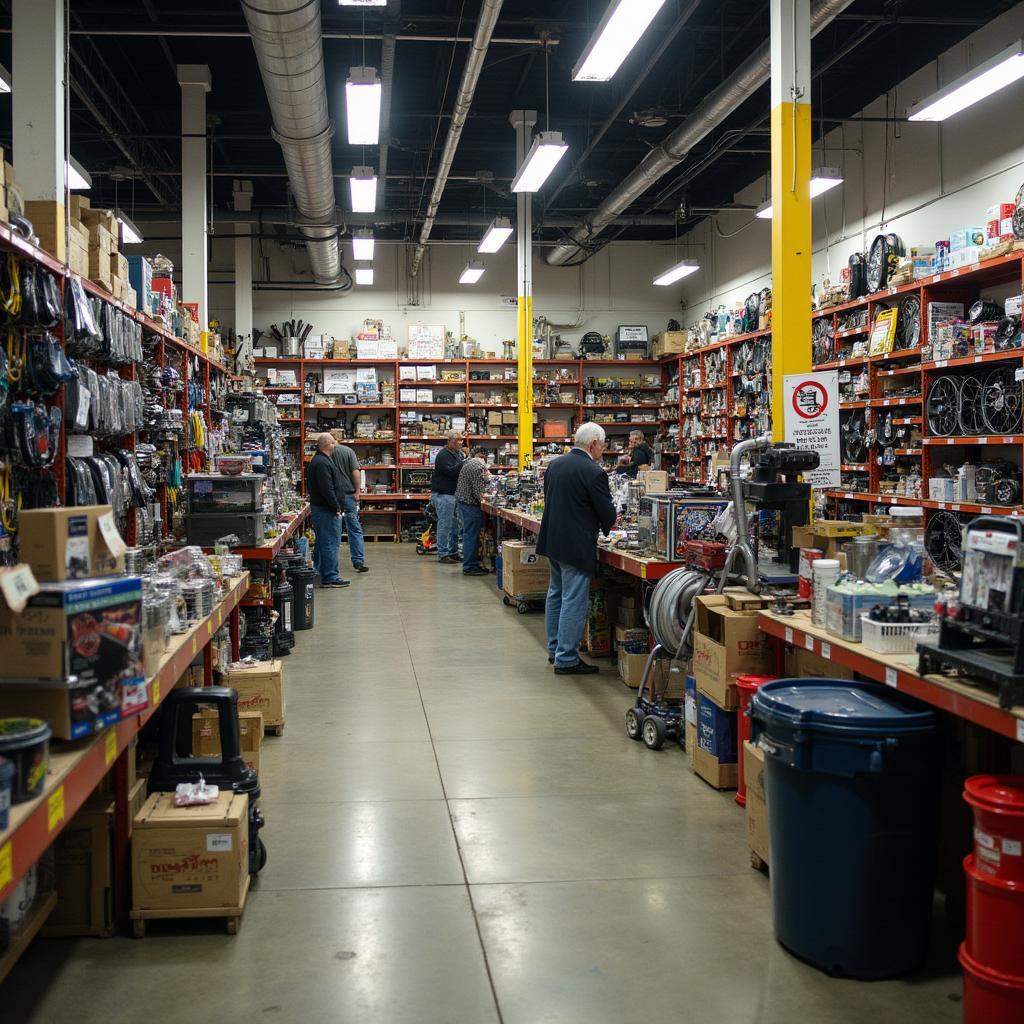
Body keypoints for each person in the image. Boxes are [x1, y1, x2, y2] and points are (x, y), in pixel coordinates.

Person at [537, 422, 617, 674]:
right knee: (573, 600)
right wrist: (609, 524)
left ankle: (554, 650)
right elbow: (607, 512)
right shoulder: (593, 471)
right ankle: (566, 658)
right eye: (603, 445)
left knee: (556, 594)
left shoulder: (555, 465)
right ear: (593, 443)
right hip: (575, 545)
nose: (603, 450)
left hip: (553, 540)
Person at [307, 433, 351, 588]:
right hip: (326, 510)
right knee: (330, 543)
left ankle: (320, 573)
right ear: (328, 445)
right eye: (334, 442)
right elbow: (327, 489)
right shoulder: (321, 463)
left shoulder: (322, 460)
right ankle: (331, 576)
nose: (336, 444)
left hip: (323, 509)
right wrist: (336, 507)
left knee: (322, 542)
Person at [330, 439, 369, 574]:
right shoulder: (348, 451)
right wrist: (358, 492)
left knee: (334, 530)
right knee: (354, 528)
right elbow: (356, 472)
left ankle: (331, 565)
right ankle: (358, 561)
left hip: (333, 496)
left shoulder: (326, 453)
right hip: (349, 495)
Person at [455, 448, 492, 576]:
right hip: (470, 505)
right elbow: (479, 493)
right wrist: (490, 497)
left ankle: (472, 563)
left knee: (467, 534)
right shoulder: (478, 468)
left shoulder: (468, 463)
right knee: (471, 535)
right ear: (483, 457)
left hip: (463, 502)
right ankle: (470, 566)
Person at [431, 429, 465, 564]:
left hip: (453, 495)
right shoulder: (443, 455)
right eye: (457, 440)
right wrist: (465, 462)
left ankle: (453, 551)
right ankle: (443, 554)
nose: (460, 443)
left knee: (454, 526)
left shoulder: (457, 454)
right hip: (444, 495)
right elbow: (451, 472)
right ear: (449, 441)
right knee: (445, 525)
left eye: (461, 440)